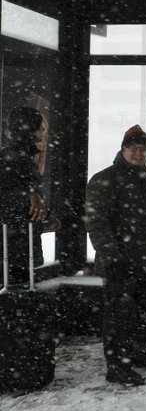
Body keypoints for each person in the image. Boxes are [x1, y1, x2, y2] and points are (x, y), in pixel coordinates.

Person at [85, 125, 146, 386]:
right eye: (134, 148)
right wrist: (111, 254)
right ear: (123, 150)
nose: (139, 153)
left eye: (144, 149)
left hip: (145, 260)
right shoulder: (105, 179)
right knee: (119, 316)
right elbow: (96, 221)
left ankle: (136, 352)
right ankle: (117, 367)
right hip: (119, 261)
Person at [0, 106, 59, 285]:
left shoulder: (15, 156)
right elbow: (16, 204)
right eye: (40, 127)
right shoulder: (18, 159)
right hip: (15, 251)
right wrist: (38, 206)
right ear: (30, 129)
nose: (43, 131)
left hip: (14, 248)